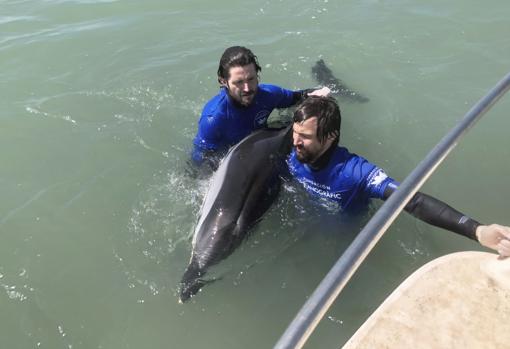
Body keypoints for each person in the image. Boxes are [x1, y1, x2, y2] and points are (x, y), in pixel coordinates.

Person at [287, 96, 510, 257]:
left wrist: (477, 230)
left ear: (330, 137)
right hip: (306, 218)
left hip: (345, 233)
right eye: (295, 132)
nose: (295, 140)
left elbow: (412, 201)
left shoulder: (355, 172)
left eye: (305, 136)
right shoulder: (294, 151)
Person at [191, 46, 330, 170]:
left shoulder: (268, 94)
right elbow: (200, 160)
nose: (247, 88)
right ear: (223, 81)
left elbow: (299, 97)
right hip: (233, 157)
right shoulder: (213, 119)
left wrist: (323, 92)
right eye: (239, 82)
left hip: (263, 143)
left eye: (251, 79)